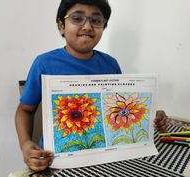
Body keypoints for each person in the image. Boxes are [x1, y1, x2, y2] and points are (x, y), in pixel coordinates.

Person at [15, 0, 167, 172]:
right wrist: (26, 145)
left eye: (96, 20)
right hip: (57, 161)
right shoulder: (44, 64)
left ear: (103, 26)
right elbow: (25, 110)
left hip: (106, 159)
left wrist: (151, 115)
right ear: (61, 25)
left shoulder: (110, 64)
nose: (87, 26)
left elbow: (121, 107)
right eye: (77, 18)